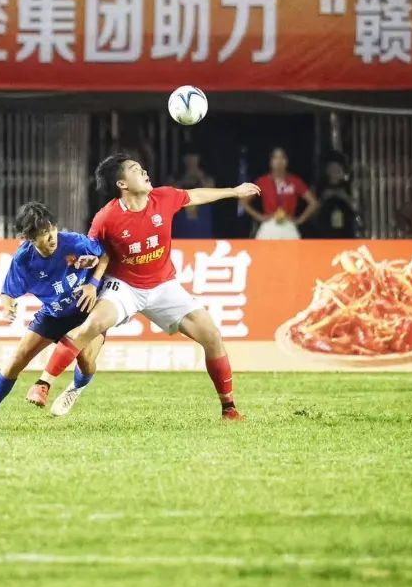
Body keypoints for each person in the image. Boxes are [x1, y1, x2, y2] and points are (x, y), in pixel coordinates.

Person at [24, 154, 260, 422]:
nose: (145, 172)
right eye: (136, 170)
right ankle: (45, 384)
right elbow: (95, 252)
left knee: (212, 335)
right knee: (90, 329)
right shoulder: (106, 218)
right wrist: (88, 272)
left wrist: (235, 191)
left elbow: (195, 195)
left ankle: (228, 409)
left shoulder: (164, 197)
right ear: (122, 184)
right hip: (123, 286)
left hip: (164, 285)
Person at [0, 202, 108, 425]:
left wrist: (93, 283)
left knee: (86, 361)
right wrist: (7, 306)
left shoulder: (73, 242)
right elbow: (8, 292)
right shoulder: (23, 259)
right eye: (43, 233)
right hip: (53, 314)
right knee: (18, 357)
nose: (52, 237)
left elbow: (105, 254)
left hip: (86, 311)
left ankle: (76, 387)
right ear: (30, 238)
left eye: (52, 229)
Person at [241, 147, 319, 239]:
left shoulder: (295, 181)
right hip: (269, 224)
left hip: (288, 224)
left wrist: (299, 220)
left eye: (282, 157)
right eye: (275, 158)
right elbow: (243, 202)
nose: (279, 161)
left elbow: (313, 203)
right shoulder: (262, 181)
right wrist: (260, 217)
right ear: (270, 161)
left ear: (287, 161)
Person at [170, 151, 216, 238]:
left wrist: (199, 176)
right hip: (181, 225)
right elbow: (170, 192)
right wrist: (184, 179)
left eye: (193, 157)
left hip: (202, 226)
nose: (191, 160)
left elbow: (211, 191)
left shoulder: (206, 178)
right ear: (184, 159)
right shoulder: (175, 178)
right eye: (188, 157)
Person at [314, 155, 360, 239]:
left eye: (337, 169)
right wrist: (323, 198)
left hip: (346, 230)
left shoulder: (349, 187)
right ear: (327, 170)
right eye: (331, 168)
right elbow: (313, 211)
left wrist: (345, 197)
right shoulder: (319, 187)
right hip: (325, 230)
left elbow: (357, 209)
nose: (334, 172)